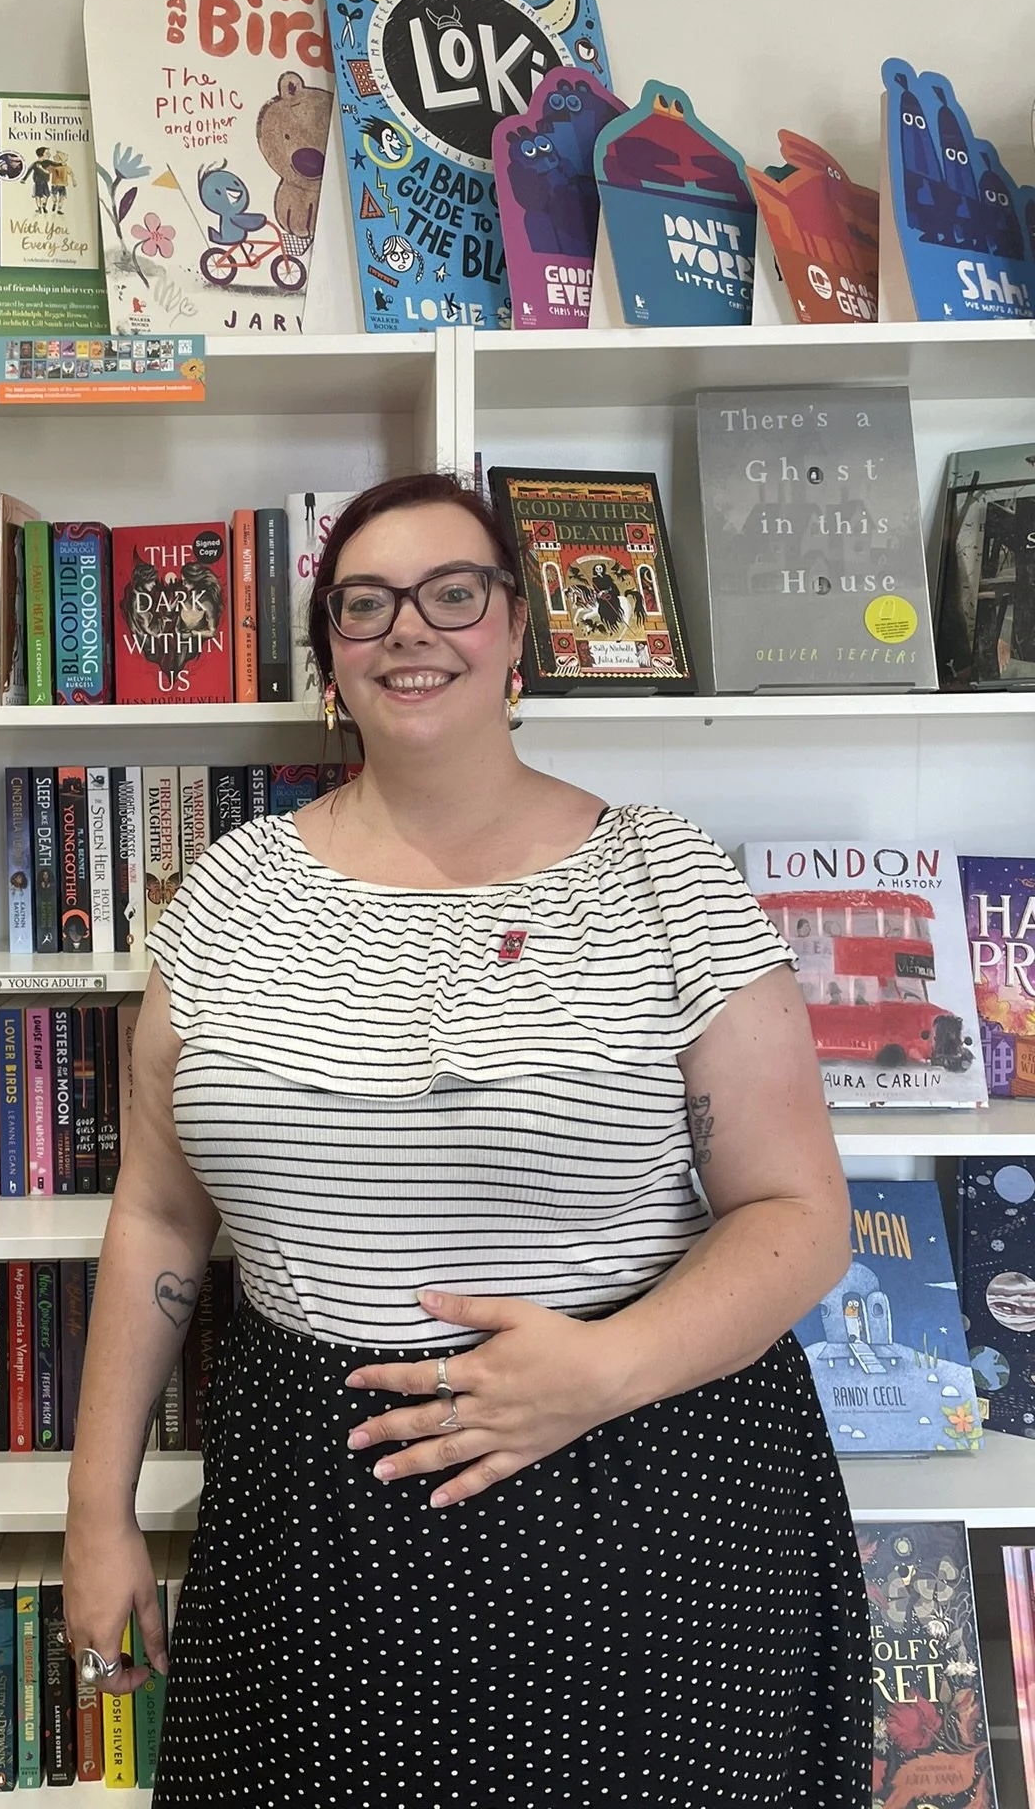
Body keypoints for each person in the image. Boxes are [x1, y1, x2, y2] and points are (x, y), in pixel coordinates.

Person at [65, 471, 870, 1807]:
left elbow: (798, 1215)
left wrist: (597, 1373)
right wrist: (97, 1510)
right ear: (330, 656)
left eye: (453, 593)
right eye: (365, 604)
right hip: (305, 1517)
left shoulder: (664, 877)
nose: (409, 629)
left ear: (516, 634)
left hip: (638, 1498)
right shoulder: (228, 894)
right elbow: (157, 1215)